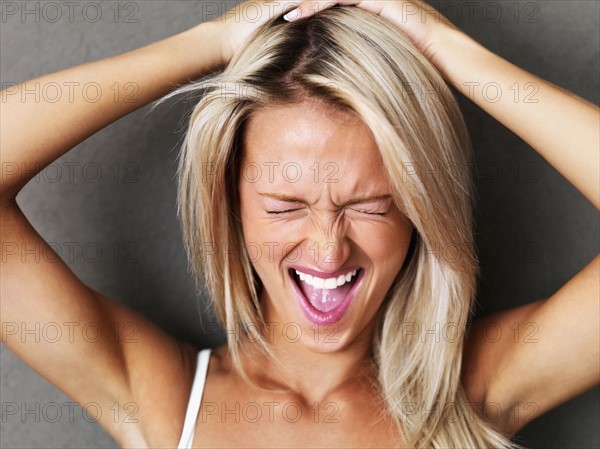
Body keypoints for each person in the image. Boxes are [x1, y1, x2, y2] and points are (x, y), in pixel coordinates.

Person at [1, 1, 598, 448]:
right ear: (228, 203)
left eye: (369, 205)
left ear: (421, 207)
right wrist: (215, 40)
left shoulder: (475, 388)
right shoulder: (166, 398)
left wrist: (443, 46)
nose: (327, 250)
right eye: (285, 205)